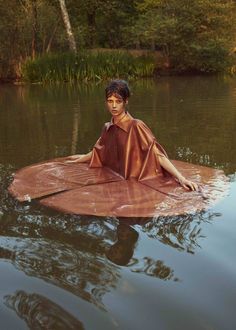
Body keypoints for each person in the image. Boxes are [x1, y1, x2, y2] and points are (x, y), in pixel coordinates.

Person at [66, 79, 198, 191]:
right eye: (110, 101)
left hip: (141, 180)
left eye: (118, 101)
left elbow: (158, 155)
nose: (114, 106)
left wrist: (181, 178)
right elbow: (99, 152)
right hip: (118, 182)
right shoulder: (108, 127)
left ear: (126, 101)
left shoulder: (136, 125)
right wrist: (77, 160)